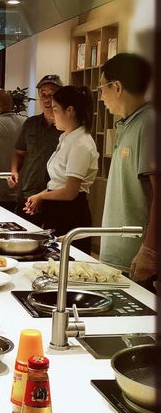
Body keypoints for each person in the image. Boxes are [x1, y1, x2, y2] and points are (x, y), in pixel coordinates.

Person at [98, 53, 157, 288]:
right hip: (118, 257)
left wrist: (149, 251)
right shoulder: (128, 123)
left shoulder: (149, 124)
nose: (101, 95)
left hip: (135, 260)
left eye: (102, 88)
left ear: (117, 87)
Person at [24, 85, 98, 254]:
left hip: (71, 213)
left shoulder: (81, 143)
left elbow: (70, 191)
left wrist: (41, 195)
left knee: (68, 263)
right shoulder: (66, 138)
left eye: (56, 109)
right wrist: (41, 198)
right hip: (57, 209)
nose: (52, 113)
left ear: (70, 110)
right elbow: (58, 182)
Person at [9, 74, 63, 225]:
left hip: (54, 195)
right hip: (28, 193)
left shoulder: (66, 127)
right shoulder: (30, 123)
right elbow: (19, 152)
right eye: (43, 95)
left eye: (51, 95)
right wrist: (14, 170)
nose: (47, 99)